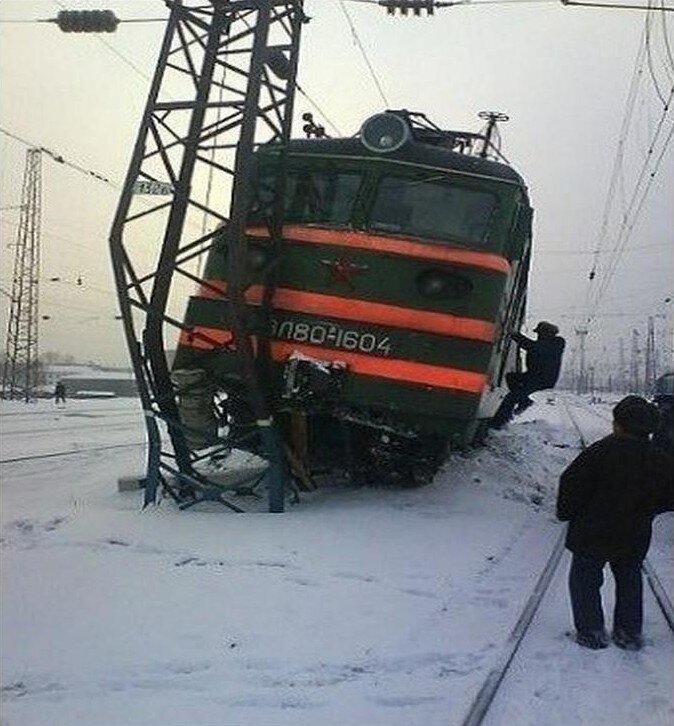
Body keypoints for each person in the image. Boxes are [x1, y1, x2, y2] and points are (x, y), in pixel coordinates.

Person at [557, 395, 674, 650]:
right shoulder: (660, 460)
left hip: (591, 532)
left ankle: (591, 631)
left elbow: (571, 485)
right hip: (634, 533)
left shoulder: (598, 453)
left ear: (618, 424)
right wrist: (649, 510)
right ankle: (629, 632)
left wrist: (567, 513)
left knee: (585, 578)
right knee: (630, 577)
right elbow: (669, 497)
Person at [490, 321, 565, 428]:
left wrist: (515, 335)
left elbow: (534, 347)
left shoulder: (556, 343)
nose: (538, 335)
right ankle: (524, 401)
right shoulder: (543, 344)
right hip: (532, 376)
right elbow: (533, 346)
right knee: (511, 377)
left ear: (547, 333)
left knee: (511, 397)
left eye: (539, 333)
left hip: (542, 380)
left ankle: (497, 424)